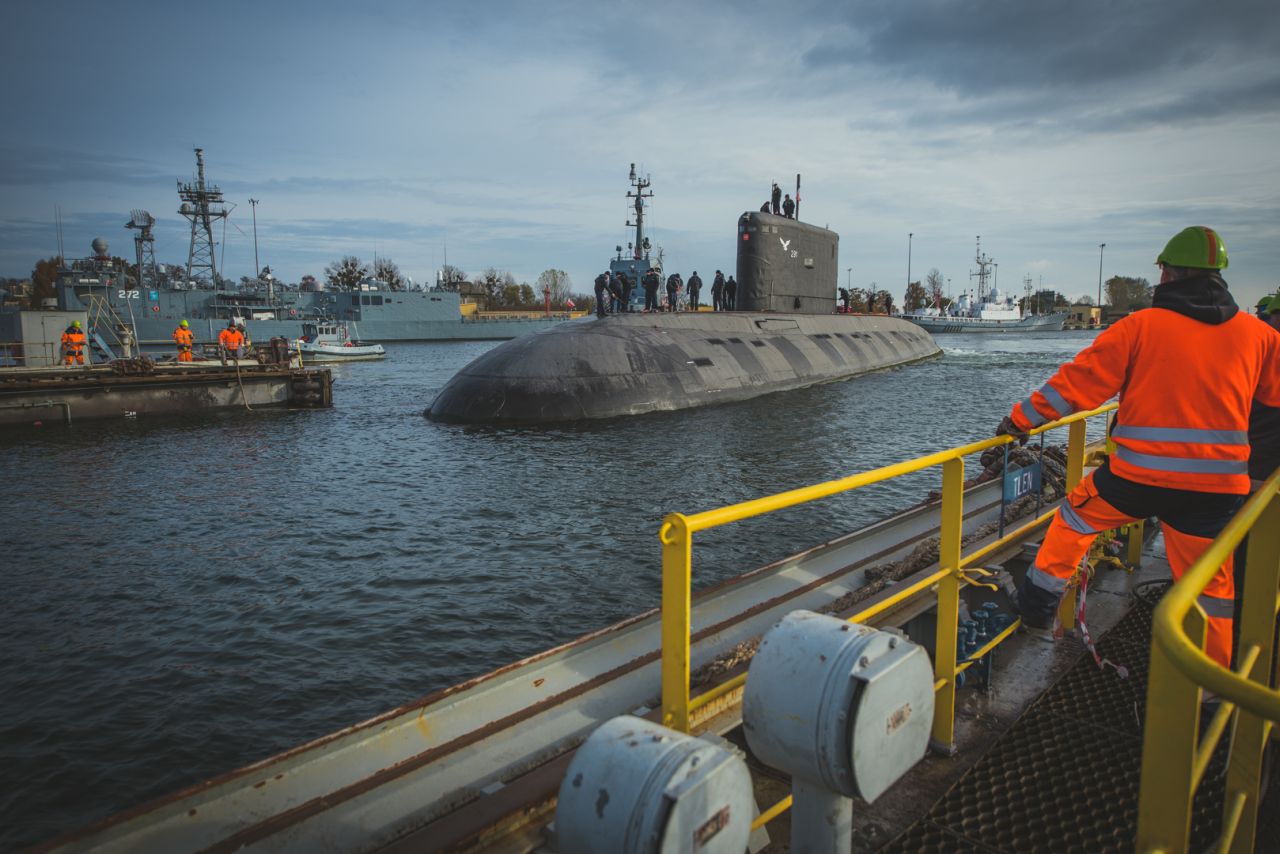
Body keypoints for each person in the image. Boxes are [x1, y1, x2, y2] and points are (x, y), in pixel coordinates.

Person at [997, 226, 1280, 669]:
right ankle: (1208, 695)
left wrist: (1020, 420)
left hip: (1136, 480)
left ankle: (1037, 606)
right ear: (1219, 276)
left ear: (1168, 275)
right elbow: (1273, 400)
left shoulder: (1139, 327)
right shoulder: (1260, 336)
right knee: (1211, 588)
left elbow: (1075, 388)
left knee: (1075, 517)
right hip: (1217, 489)